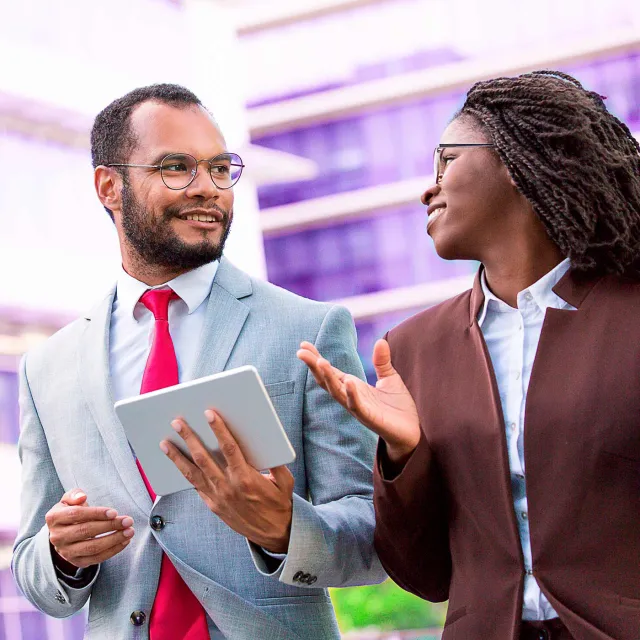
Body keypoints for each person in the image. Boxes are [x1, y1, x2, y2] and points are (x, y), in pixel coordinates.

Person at [12, 84, 386, 640]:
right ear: (109, 186)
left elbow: (373, 539)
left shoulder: (308, 329)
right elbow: (32, 571)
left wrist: (284, 528)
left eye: (219, 168)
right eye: (175, 168)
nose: (207, 189)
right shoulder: (47, 368)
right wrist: (63, 555)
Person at [299, 70, 640, 640]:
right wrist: (405, 456)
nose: (427, 190)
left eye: (447, 162)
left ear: (515, 158)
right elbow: (424, 575)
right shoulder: (409, 350)